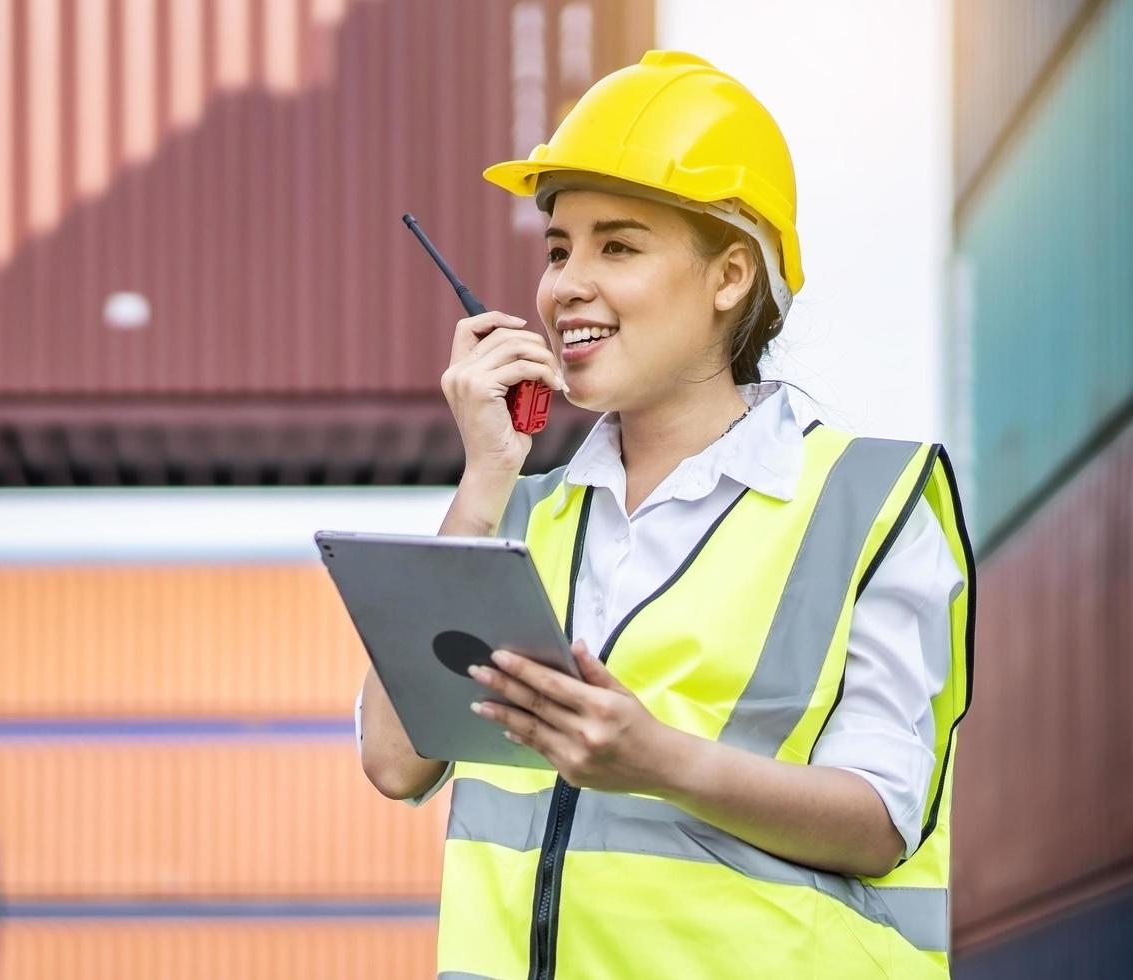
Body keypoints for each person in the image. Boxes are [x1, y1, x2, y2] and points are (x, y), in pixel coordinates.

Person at [354, 50, 974, 978]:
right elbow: (396, 763)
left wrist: (656, 758)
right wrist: (486, 476)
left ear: (730, 277)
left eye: (619, 245)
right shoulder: (520, 516)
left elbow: (883, 820)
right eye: (559, 248)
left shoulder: (868, 502)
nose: (566, 284)